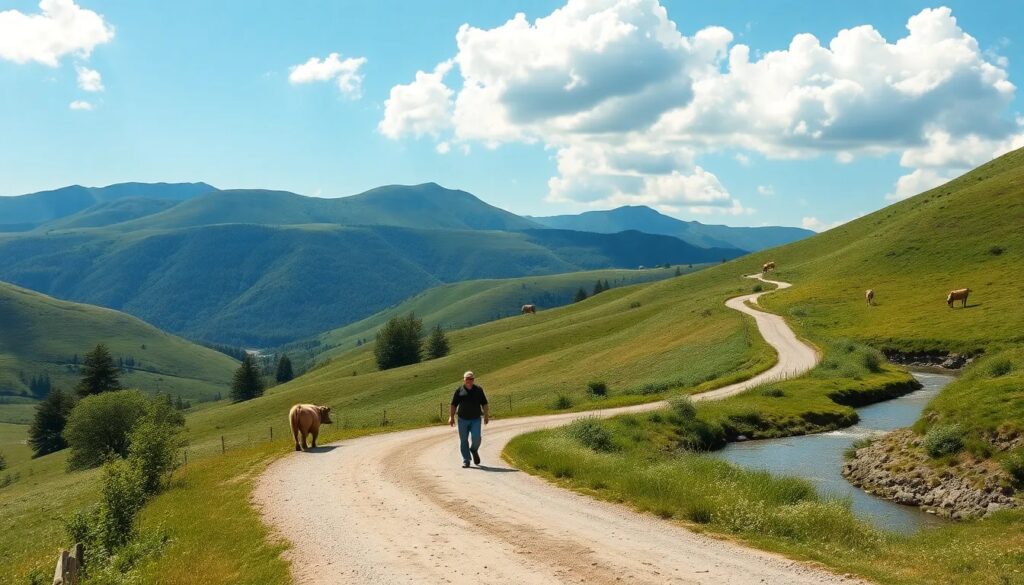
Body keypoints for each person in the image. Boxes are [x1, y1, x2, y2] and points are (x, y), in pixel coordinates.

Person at [448, 370, 490, 468]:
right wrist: (451, 416)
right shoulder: (459, 390)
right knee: (463, 440)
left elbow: (484, 403)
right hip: (462, 419)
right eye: (467, 379)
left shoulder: (478, 390)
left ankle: (474, 449)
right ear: (464, 380)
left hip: (476, 419)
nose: (469, 381)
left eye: (471, 379)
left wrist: (486, 415)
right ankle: (466, 460)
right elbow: (453, 404)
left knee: (477, 438)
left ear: (473, 380)